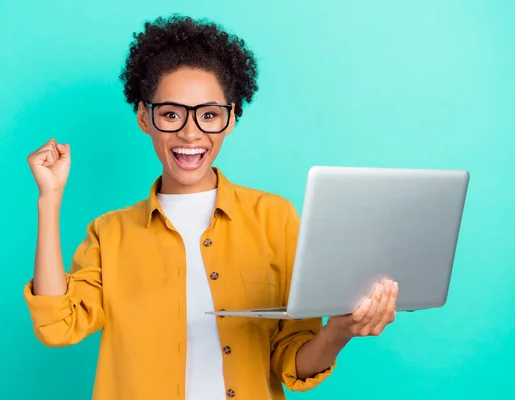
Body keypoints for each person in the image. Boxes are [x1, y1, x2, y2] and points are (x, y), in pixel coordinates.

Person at [23, 15, 398, 400]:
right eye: (171, 114)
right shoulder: (109, 233)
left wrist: (337, 332)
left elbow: (291, 362)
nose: (190, 133)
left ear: (231, 118)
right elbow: (57, 325)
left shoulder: (275, 218)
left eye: (209, 115)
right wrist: (49, 199)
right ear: (143, 118)